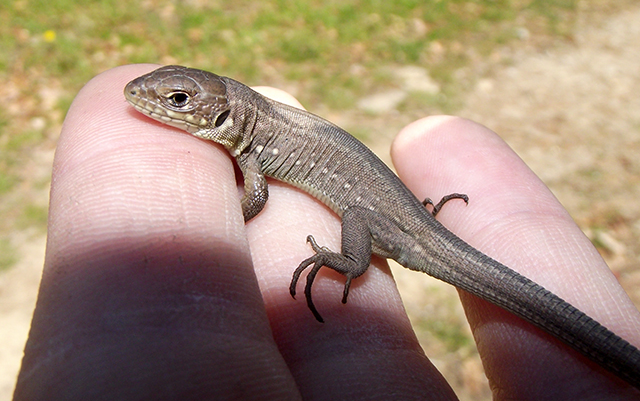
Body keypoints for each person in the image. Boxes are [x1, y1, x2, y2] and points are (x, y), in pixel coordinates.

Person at [13, 64, 640, 400]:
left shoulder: (259, 143)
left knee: (362, 233)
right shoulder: (255, 121)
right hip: (400, 215)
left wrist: (344, 256)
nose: (158, 102)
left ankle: (348, 263)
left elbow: (255, 196)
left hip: (395, 230)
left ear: (221, 110)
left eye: (178, 100)